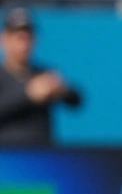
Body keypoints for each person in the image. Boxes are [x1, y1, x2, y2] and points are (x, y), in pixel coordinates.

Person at [0, 8, 83, 147]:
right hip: (7, 158)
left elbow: (77, 100)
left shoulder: (43, 73)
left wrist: (61, 90)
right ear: (5, 39)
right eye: (19, 38)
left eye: (28, 38)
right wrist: (28, 95)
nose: (24, 45)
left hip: (42, 156)